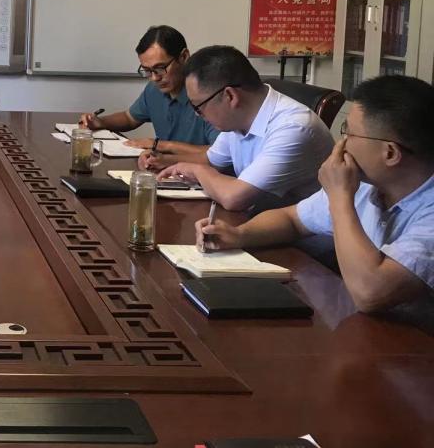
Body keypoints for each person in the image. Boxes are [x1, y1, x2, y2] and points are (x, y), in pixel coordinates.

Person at [197, 75, 434, 318]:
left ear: (390, 153)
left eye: (349, 134)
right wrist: (239, 235)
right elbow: (292, 219)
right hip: (359, 324)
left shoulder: (360, 188)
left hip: (411, 337)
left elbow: (369, 293)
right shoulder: (367, 184)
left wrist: (340, 197)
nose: (341, 144)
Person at [155, 45, 333, 212]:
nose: (197, 114)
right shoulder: (238, 118)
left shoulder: (293, 128)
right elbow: (210, 160)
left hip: (300, 233)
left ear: (230, 96)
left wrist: (197, 171)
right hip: (262, 219)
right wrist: (163, 161)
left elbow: (233, 197)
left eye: (198, 107)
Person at [77, 25, 218, 160]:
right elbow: (130, 118)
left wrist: (161, 145)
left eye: (160, 68)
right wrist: (101, 122)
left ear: (184, 57)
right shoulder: (154, 89)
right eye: (147, 70)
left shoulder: (208, 94)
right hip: (166, 168)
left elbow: (220, 153)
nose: (155, 78)